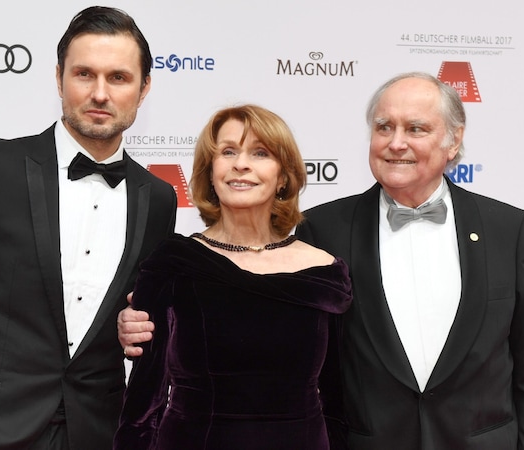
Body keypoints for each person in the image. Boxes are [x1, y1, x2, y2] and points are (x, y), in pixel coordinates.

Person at [119, 73, 524, 449]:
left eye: (416, 128)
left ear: (454, 139)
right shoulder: (324, 231)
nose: (396, 143)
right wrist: (136, 322)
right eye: (384, 126)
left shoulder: (508, 227)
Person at [0, 6, 177, 450]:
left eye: (118, 77)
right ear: (59, 78)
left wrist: (132, 325)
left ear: (144, 87)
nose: (100, 93)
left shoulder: (158, 198)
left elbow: (137, 318)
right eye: (84, 74)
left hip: (96, 432)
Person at [113, 104, 352, 450]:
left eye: (260, 153)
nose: (241, 163)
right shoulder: (174, 263)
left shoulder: (325, 272)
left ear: (283, 176)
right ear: (210, 172)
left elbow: (337, 403)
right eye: (228, 152)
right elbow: (143, 406)